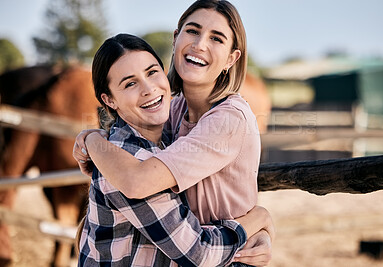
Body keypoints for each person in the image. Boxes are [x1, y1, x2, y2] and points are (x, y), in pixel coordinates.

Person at [74, 1, 275, 265]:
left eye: (216, 38)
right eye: (192, 31)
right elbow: (132, 175)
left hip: (227, 256)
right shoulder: (173, 108)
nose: (200, 44)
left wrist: (93, 140)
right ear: (175, 38)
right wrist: (96, 139)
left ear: (231, 58)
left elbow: (137, 179)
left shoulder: (228, 118)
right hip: (198, 250)